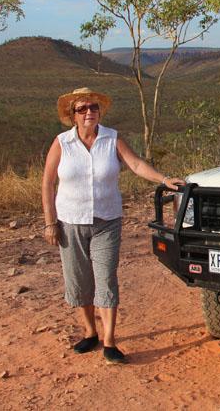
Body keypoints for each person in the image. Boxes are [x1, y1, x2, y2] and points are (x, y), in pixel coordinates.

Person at [41, 87, 184, 365]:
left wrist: (164, 179)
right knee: (79, 279)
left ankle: (109, 341)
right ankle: (90, 332)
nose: (89, 113)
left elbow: (136, 164)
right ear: (73, 115)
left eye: (93, 107)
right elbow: (47, 182)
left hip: (107, 221)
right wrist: (50, 223)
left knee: (105, 278)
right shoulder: (62, 143)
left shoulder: (112, 139)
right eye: (82, 109)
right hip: (70, 222)